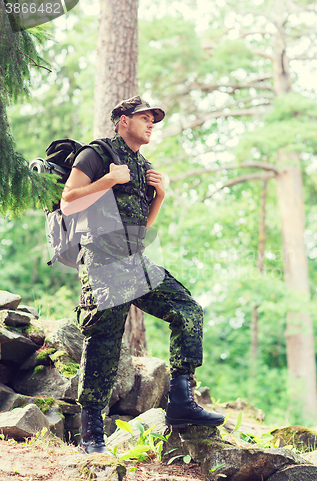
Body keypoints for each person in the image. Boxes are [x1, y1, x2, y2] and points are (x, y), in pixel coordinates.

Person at [61, 96, 224, 454]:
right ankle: (90, 435)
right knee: (104, 339)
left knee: (188, 311)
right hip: (103, 260)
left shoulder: (143, 165)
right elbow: (68, 201)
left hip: (134, 259)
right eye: (144, 118)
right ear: (122, 121)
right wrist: (106, 180)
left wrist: (160, 196)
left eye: (154, 120)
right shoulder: (97, 154)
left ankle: (181, 401)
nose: (151, 124)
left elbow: (142, 228)